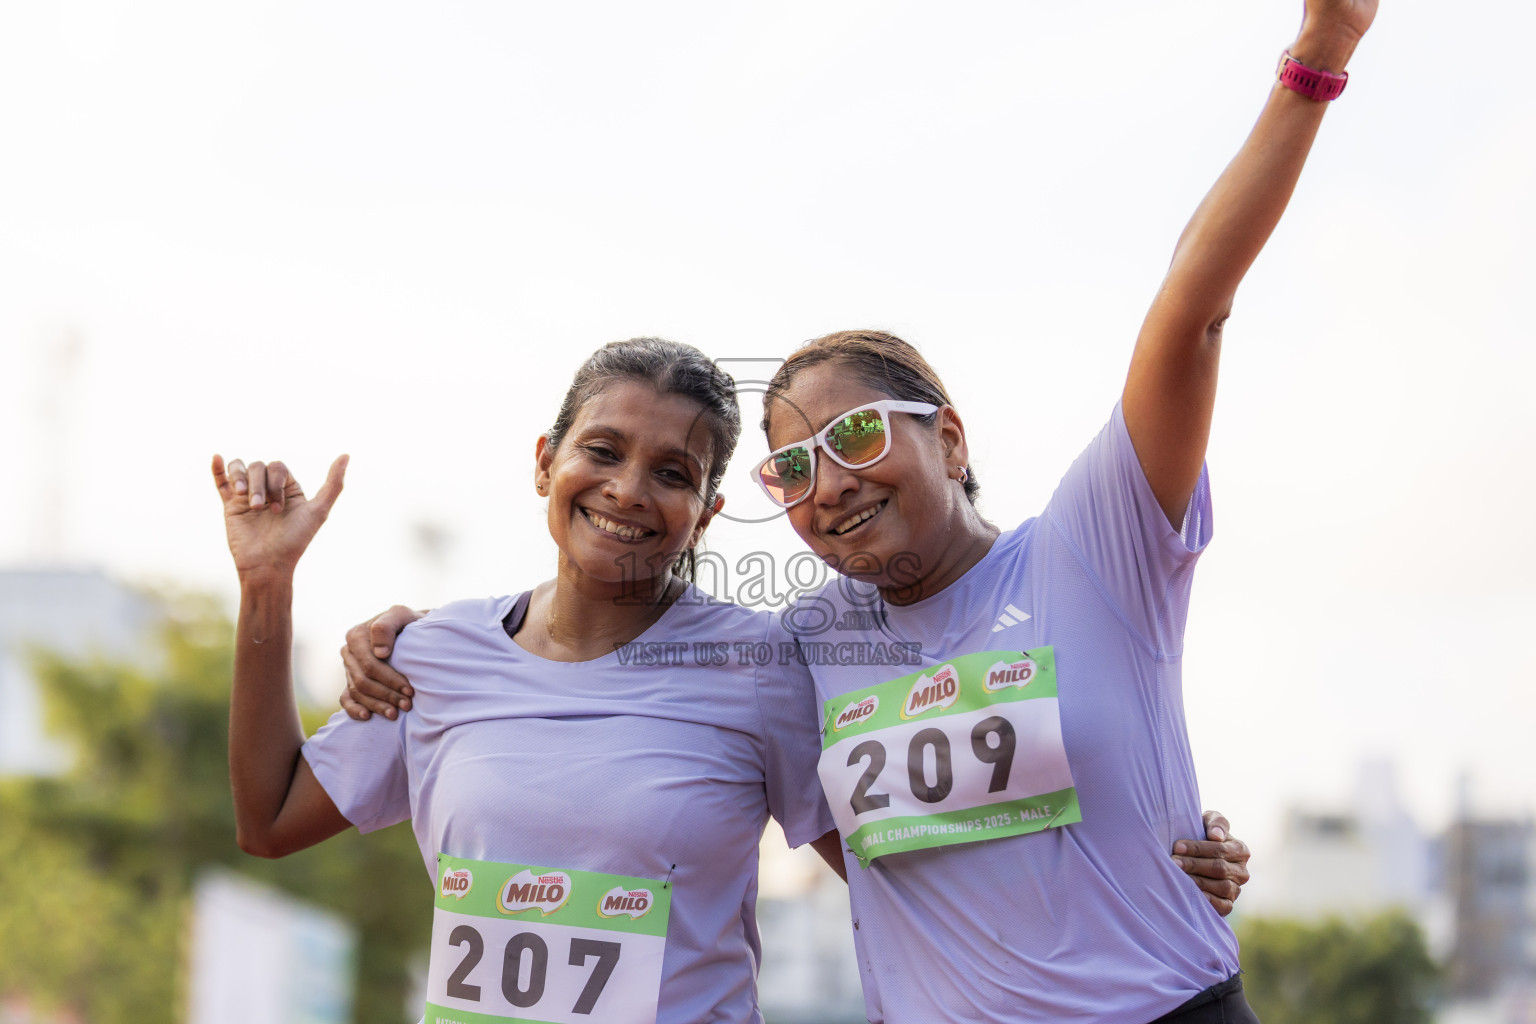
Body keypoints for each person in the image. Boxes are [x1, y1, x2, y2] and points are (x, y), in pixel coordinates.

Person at [344, 0, 1375, 1018]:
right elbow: (604, 675)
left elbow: (1191, 309)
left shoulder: (1093, 547)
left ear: (951, 438)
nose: (828, 481)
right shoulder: (799, 648)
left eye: (856, 436)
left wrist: (1316, 58)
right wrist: (414, 639)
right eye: (789, 468)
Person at [212, 339, 843, 1024]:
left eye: (672, 473)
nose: (627, 490)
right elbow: (269, 819)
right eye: (602, 451)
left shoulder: (761, 664)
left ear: (705, 515)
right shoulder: (433, 655)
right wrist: (267, 582)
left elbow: (890, 875)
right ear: (545, 462)